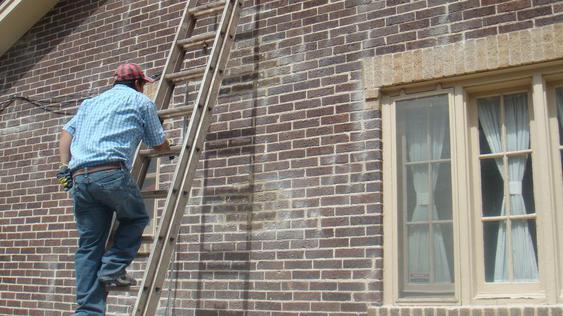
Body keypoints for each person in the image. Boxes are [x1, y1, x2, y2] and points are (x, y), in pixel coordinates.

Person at [57, 63, 171, 316]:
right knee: (137, 218)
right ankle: (112, 268)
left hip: (79, 178)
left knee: (89, 245)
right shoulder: (141, 102)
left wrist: (64, 167)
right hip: (110, 173)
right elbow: (157, 142)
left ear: (116, 82)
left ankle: (87, 311)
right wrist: (168, 146)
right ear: (140, 84)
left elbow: (66, 133)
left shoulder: (90, 103)